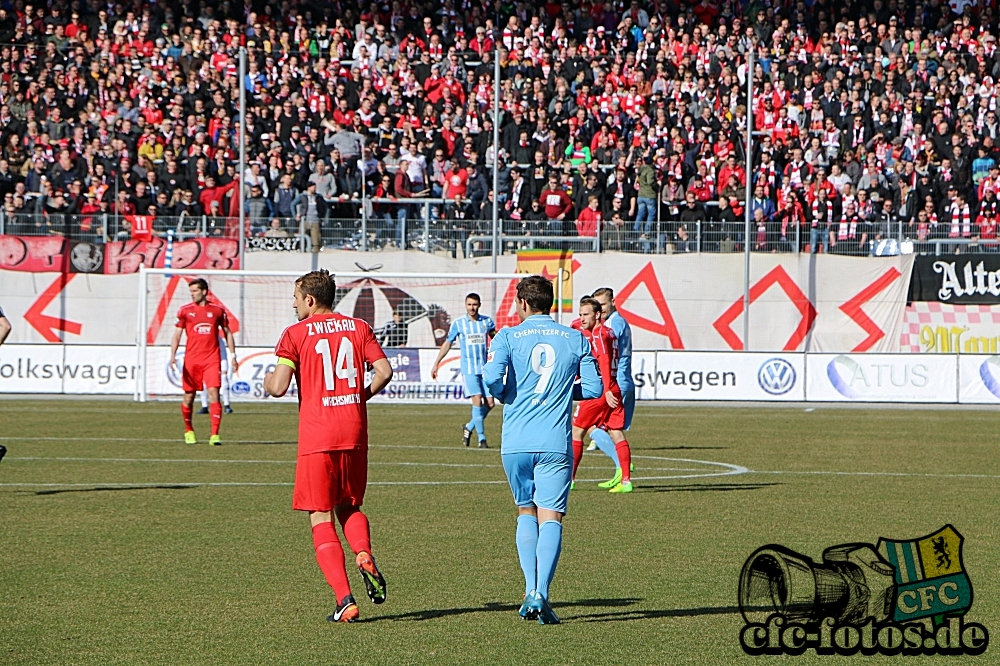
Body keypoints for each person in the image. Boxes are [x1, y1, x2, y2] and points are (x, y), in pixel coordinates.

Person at [263, 269, 394, 623]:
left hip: (317, 436)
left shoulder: (294, 334)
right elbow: (384, 371)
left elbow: (277, 387)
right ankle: (363, 552)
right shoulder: (358, 327)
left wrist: (265, 379)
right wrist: (358, 398)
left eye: (295, 297)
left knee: (320, 514)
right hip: (353, 432)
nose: (293, 304)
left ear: (309, 299)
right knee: (349, 504)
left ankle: (344, 599)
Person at [483, 275, 602, 625]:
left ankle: (528, 588)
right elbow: (594, 387)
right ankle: (541, 594)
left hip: (516, 442)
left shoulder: (507, 335)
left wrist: (506, 393)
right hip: (554, 442)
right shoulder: (575, 337)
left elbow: (491, 378)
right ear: (551, 303)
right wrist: (565, 392)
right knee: (552, 517)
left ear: (522, 303)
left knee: (525, 511)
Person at [570, 297, 633, 493]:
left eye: (585, 314)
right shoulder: (610, 332)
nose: (581, 319)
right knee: (615, 431)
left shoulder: (598, 335)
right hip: (614, 386)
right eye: (580, 315)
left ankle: (569, 479)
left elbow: (604, 360)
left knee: (577, 431)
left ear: (597, 315)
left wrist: (604, 390)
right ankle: (625, 481)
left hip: (600, 390)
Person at [169, 279, 237, 446]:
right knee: (189, 396)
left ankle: (214, 435)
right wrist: (172, 355)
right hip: (192, 360)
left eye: (195, 291)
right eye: (190, 291)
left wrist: (233, 355)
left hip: (211, 359)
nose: (192, 294)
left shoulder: (217, 311)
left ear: (204, 291)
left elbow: (228, 333)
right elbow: (177, 334)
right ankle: (189, 431)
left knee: (214, 393)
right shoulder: (185, 311)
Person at [431, 293, 496, 448]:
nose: (472, 308)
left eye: (474, 304)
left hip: (484, 369)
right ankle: (482, 439)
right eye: (469, 305)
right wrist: (436, 363)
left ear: (479, 305)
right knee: (477, 400)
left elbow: (495, 337)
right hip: (469, 369)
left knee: (491, 403)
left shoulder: (487, 322)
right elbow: (448, 343)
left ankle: (469, 427)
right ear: (465, 305)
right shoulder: (459, 323)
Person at [587, 288, 636, 489]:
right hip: (620, 382)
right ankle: (622, 473)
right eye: (597, 306)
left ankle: (622, 465)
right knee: (613, 430)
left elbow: (605, 349)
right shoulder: (614, 322)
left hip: (615, 383)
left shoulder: (614, 323)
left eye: (603, 305)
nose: (600, 310)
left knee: (587, 425)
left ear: (613, 302)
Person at [199, 339, 234, 415]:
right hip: (206, 354)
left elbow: (228, 334)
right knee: (204, 380)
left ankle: (227, 405)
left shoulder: (218, 338)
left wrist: (233, 356)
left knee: (224, 378)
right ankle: (204, 406)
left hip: (220, 353)